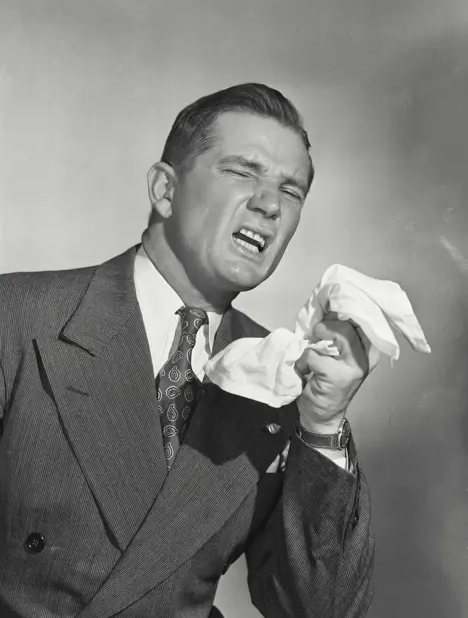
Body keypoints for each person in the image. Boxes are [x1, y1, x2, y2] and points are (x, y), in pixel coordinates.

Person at [0, 83, 375, 618]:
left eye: (291, 191)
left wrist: (324, 422)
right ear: (164, 190)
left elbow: (320, 608)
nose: (269, 204)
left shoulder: (288, 376)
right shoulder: (17, 316)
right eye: (242, 171)